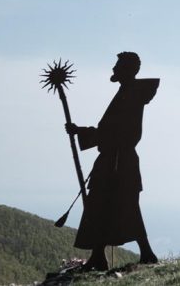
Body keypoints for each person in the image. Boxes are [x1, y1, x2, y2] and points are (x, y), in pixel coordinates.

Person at [65, 52, 160, 270]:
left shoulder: (131, 96)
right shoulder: (126, 94)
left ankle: (145, 253)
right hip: (113, 161)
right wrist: (83, 131)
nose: (113, 70)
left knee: (124, 206)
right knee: (101, 205)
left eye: (118, 67)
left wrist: (83, 132)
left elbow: (119, 133)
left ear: (128, 70)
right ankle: (99, 256)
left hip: (120, 162)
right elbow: (111, 131)